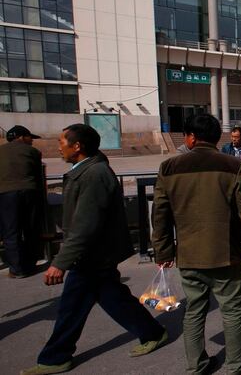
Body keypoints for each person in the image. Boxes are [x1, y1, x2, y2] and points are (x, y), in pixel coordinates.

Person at [22, 124, 168, 375]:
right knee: (112, 299)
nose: (59, 147)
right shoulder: (87, 171)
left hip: (92, 254)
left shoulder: (94, 174)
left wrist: (61, 262)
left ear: (77, 146)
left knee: (72, 307)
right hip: (94, 254)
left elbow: (86, 224)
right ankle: (153, 332)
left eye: (62, 141)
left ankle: (56, 356)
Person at [152, 114, 241, 374]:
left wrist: (163, 251)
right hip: (226, 251)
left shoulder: (169, 168)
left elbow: (160, 214)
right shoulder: (233, 165)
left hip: (189, 253)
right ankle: (236, 364)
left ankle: (196, 365)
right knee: (233, 309)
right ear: (217, 138)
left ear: (191, 137)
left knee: (194, 310)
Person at [0, 125, 44, 278]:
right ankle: (30, 265)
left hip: (5, 195)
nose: (31, 140)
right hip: (29, 192)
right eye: (29, 137)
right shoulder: (33, 152)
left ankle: (16, 269)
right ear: (20, 137)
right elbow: (39, 178)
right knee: (31, 229)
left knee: (11, 232)